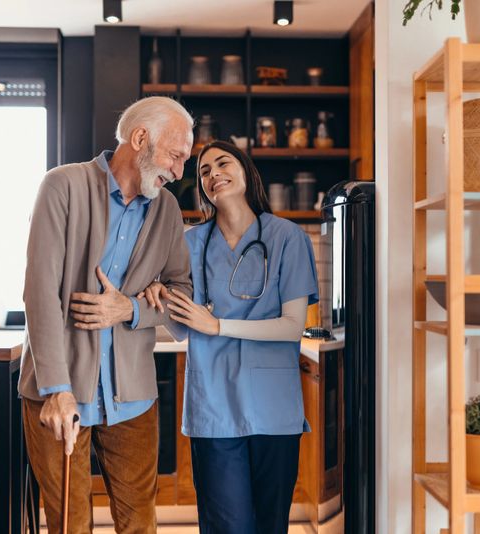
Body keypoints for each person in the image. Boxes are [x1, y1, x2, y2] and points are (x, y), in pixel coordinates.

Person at [18, 96, 194, 534]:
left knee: (139, 526)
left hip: (133, 398)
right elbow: (40, 293)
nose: (180, 172)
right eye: (176, 156)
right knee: (69, 526)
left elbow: (182, 296)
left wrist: (130, 308)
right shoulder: (63, 186)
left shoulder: (168, 210)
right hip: (61, 394)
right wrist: (56, 389)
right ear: (140, 139)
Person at [141, 140, 319, 533]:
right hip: (214, 409)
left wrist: (218, 326)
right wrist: (161, 299)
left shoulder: (288, 238)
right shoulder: (190, 244)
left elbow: (292, 326)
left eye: (222, 163)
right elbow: (181, 325)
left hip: (274, 411)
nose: (212, 174)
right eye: (203, 171)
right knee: (226, 526)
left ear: (246, 172)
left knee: (270, 525)